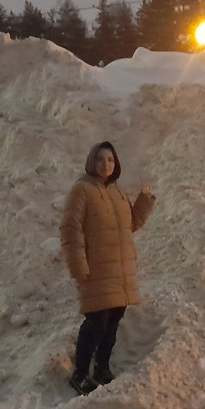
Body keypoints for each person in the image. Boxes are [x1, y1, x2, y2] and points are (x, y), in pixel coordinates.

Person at [60, 141, 156, 396]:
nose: (106, 164)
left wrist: (143, 201)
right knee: (96, 323)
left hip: (120, 271)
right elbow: (70, 231)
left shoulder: (117, 191)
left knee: (112, 323)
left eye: (111, 160)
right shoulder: (81, 190)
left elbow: (130, 225)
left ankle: (102, 368)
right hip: (96, 271)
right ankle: (80, 374)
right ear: (91, 162)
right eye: (100, 159)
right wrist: (78, 266)